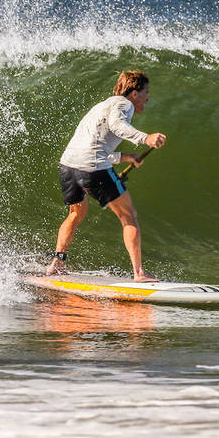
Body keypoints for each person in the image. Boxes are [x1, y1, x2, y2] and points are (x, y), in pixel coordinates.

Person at [47, 70, 167, 282]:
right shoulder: (124, 104)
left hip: (68, 166)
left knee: (76, 213)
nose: (147, 97)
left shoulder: (101, 106)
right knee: (129, 215)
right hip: (92, 167)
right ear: (134, 92)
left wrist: (128, 157)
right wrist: (144, 138)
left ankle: (57, 263)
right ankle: (139, 273)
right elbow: (117, 126)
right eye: (146, 92)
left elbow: (94, 146)